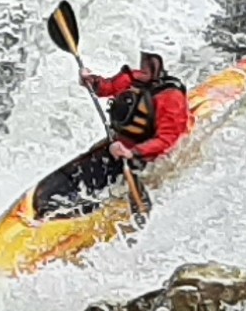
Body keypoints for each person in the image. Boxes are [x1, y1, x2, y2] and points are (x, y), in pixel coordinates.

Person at [32, 51, 190, 220]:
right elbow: (107, 87)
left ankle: (79, 217)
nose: (144, 64)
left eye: (150, 61)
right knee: (61, 185)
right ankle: (47, 207)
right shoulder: (133, 79)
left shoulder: (171, 98)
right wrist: (91, 82)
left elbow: (167, 140)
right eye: (145, 59)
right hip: (117, 150)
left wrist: (132, 153)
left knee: (110, 183)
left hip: (144, 160)